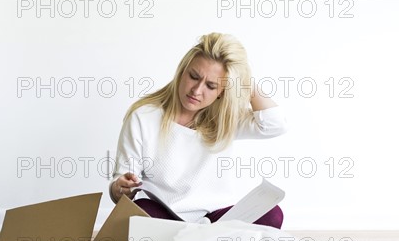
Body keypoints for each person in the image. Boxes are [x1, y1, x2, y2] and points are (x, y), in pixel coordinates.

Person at [109, 32, 287, 228]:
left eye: (211, 86)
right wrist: (121, 188)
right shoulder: (143, 117)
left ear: (222, 93)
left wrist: (243, 80)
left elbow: (274, 124)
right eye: (193, 76)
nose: (196, 90)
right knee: (138, 215)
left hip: (215, 217)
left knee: (272, 215)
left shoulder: (225, 119)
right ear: (181, 72)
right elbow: (121, 186)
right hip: (163, 214)